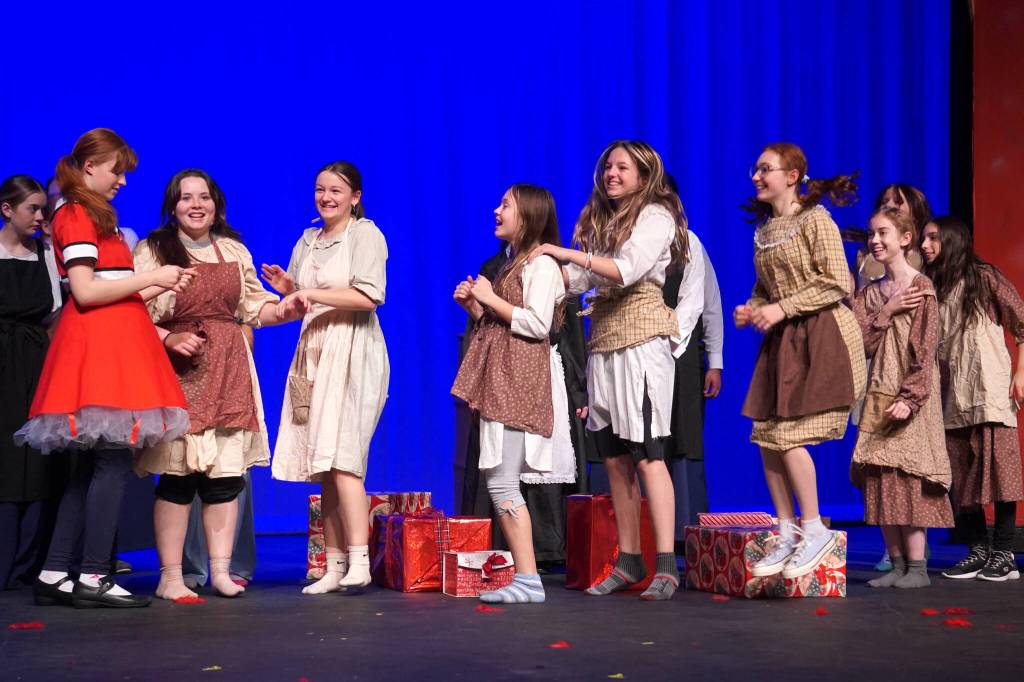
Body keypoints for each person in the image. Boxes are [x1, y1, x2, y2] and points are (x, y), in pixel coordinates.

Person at [16, 128, 194, 608]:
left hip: (112, 342)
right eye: (117, 171)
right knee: (111, 461)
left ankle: (56, 570)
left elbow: (114, 289)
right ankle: (94, 573)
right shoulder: (75, 212)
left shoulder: (94, 213)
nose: (122, 181)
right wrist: (151, 275)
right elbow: (86, 291)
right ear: (90, 166)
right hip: (100, 350)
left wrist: (160, 283)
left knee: (91, 465)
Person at [531, 140, 688, 600]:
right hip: (604, 341)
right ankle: (629, 558)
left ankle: (666, 564)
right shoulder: (606, 220)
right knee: (616, 458)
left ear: (644, 175)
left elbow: (626, 269)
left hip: (642, 341)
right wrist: (534, 274)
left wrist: (568, 255)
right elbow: (584, 279)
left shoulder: (656, 215)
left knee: (648, 452)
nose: (612, 174)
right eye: (608, 167)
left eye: (623, 167)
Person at [134, 169, 294, 599]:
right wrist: (168, 338)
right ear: (173, 207)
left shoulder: (233, 250)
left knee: (224, 480)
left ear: (216, 204)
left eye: (203, 197)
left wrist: (288, 308)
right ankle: (171, 576)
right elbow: (132, 312)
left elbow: (255, 308)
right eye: (186, 197)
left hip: (227, 370)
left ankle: (221, 572)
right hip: (177, 372)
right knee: (177, 478)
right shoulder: (153, 250)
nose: (196, 205)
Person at [735, 142, 866, 580]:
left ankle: (814, 529)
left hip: (822, 336)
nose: (757, 176)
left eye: (765, 169)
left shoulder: (815, 219)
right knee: (767, 436)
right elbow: (765, 289)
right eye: (755, 169)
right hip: (784, 341)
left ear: (792, 176)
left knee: (790, 435)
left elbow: (837, 281)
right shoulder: (766, 230)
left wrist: (781, 308)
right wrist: (755, 308)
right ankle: (787, 529)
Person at [266, 161, 389, 594]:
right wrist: (288, 289)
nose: (326, 197)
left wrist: (308, 291)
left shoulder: (365, 234)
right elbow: (301, 301)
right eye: (320, 189)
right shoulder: (308, 240)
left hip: (353, 348)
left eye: (336, 190)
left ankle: (360, 561)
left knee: (345, 459)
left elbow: (369, 296)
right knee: (325, 466)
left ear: (355, 197)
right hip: (315, 351)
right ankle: (333, 566)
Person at [452, 184, 576, 603]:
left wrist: (490, 297)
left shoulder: (541, 265)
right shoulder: (512, 262)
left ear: (528, 215)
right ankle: (526, 578)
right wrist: (477, 307)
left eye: (505, 204)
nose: (496, 210)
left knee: (503, 482)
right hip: (502, 375)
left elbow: (538, 324)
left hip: (518, 378)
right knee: (498, 480)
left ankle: (528, 579)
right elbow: (503, 322)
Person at [850, 209, 953, 588]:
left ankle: (918, 568)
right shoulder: (870, 293)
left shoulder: (921, 288)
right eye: (871, 234)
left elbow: (926, 351)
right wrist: (887, 311)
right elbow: (860, 342)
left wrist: (911, 398)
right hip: (879, 390)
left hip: (912, 396)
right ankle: (895, 565)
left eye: (883, 233)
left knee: (908, 479)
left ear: (905, 239)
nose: (875, 241)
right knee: (880, 478)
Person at [921, 217, 1024, 582]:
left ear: (952, 239)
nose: (925, 245)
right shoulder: (932, 286)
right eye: (923, 239)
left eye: (933, 238)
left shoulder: (984, 277)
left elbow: (1021, 322)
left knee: (1001, 474)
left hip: (989, 390)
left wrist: (1020, 373)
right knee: (962, 476)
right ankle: (978, 551)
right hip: (952, 395)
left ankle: (1005, 554)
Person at [0, 175, 67, 589]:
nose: (41, 216)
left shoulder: (45, 254)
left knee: (37, 460)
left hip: (37, 363)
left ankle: (28, 564)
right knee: (5, 459)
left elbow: (54, 316)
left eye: (44, 208)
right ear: (7, 209)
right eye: (33, 208)